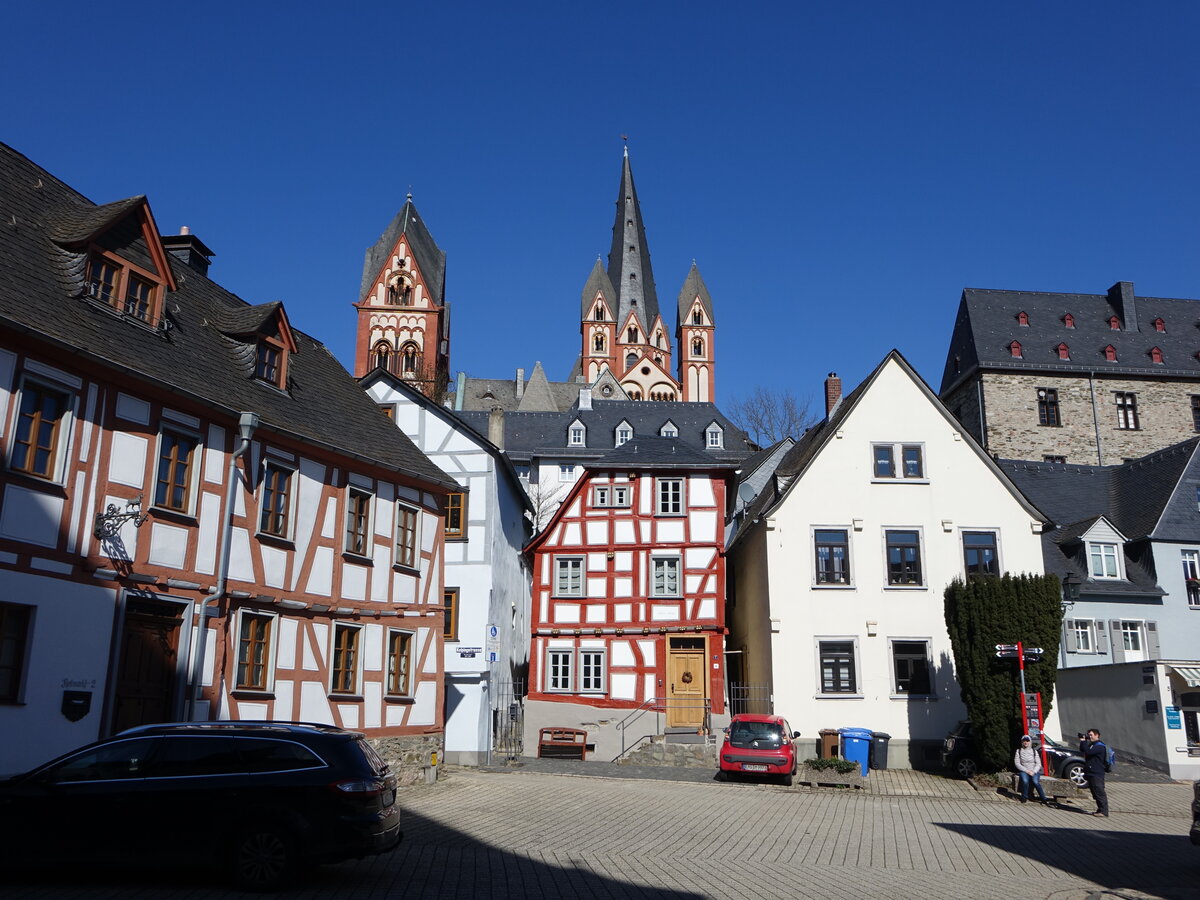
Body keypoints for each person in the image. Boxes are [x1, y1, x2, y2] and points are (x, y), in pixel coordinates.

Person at [1079, 728, 1109, 817]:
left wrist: (1084, 741)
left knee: (1099, 792)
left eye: (1091, 735)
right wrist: (1082, 741)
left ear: (1097, 735)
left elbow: (1088, 752)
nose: (1089, 737)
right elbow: (1083, 750)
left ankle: (1104, 811)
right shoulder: (1092, 745)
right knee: (1095, 793)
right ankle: (1099, 809)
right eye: (1089, 735)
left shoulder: (1100, 746)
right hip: (1091, 772)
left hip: (1097, 773)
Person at [1013, 735, 1047, 803]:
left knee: (1035, 782)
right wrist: (1026, 771)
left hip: (1034, 771)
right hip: (1024, 771)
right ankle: (1024, 797)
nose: (1026, 742)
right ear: (1022, 742)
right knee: (1025, 781)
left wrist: (1034, 771)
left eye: (1027, 741)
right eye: (1024, 741)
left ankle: (1043, 798)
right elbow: (1017, 763)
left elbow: (1038, 764)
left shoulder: (1034, 751)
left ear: (1030, 742)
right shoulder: (1018, 751)